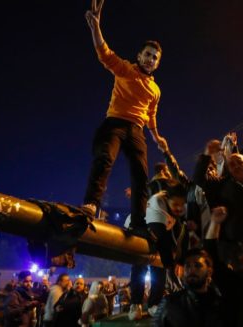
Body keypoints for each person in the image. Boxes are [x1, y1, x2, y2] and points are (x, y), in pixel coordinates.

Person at [82, 0, 168, 233]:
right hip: (115, 124)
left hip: (137, 131)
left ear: (157, 64)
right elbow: (104, 53)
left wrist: (157, 137)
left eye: (155, 58)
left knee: (141, 176)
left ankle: (139, 221)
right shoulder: (126, 70)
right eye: (147, 55)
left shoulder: (155, 90)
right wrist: (95, 28)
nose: (150, 59)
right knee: (104, 158)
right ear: (139, 56)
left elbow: (151, 114)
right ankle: (91, 204)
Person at [126, 181, 187, 320]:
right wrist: (171, 264)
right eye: (175, 204)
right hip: (142, 232)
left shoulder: (177, 210)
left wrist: (180, 260)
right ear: (167, 199)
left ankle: (154, 303)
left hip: (157, 234)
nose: (178, 208)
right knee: (140, 265)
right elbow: (163, 238)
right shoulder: (158, 202)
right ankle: (136, 303)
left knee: (159, 268)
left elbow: (181, 235)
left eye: (181, 205)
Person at [153, 248, 225, 327]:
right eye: (187, 266)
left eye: (197, 266)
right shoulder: (169, 303)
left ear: (209, 271)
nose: (191, 270)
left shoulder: (220, 305)